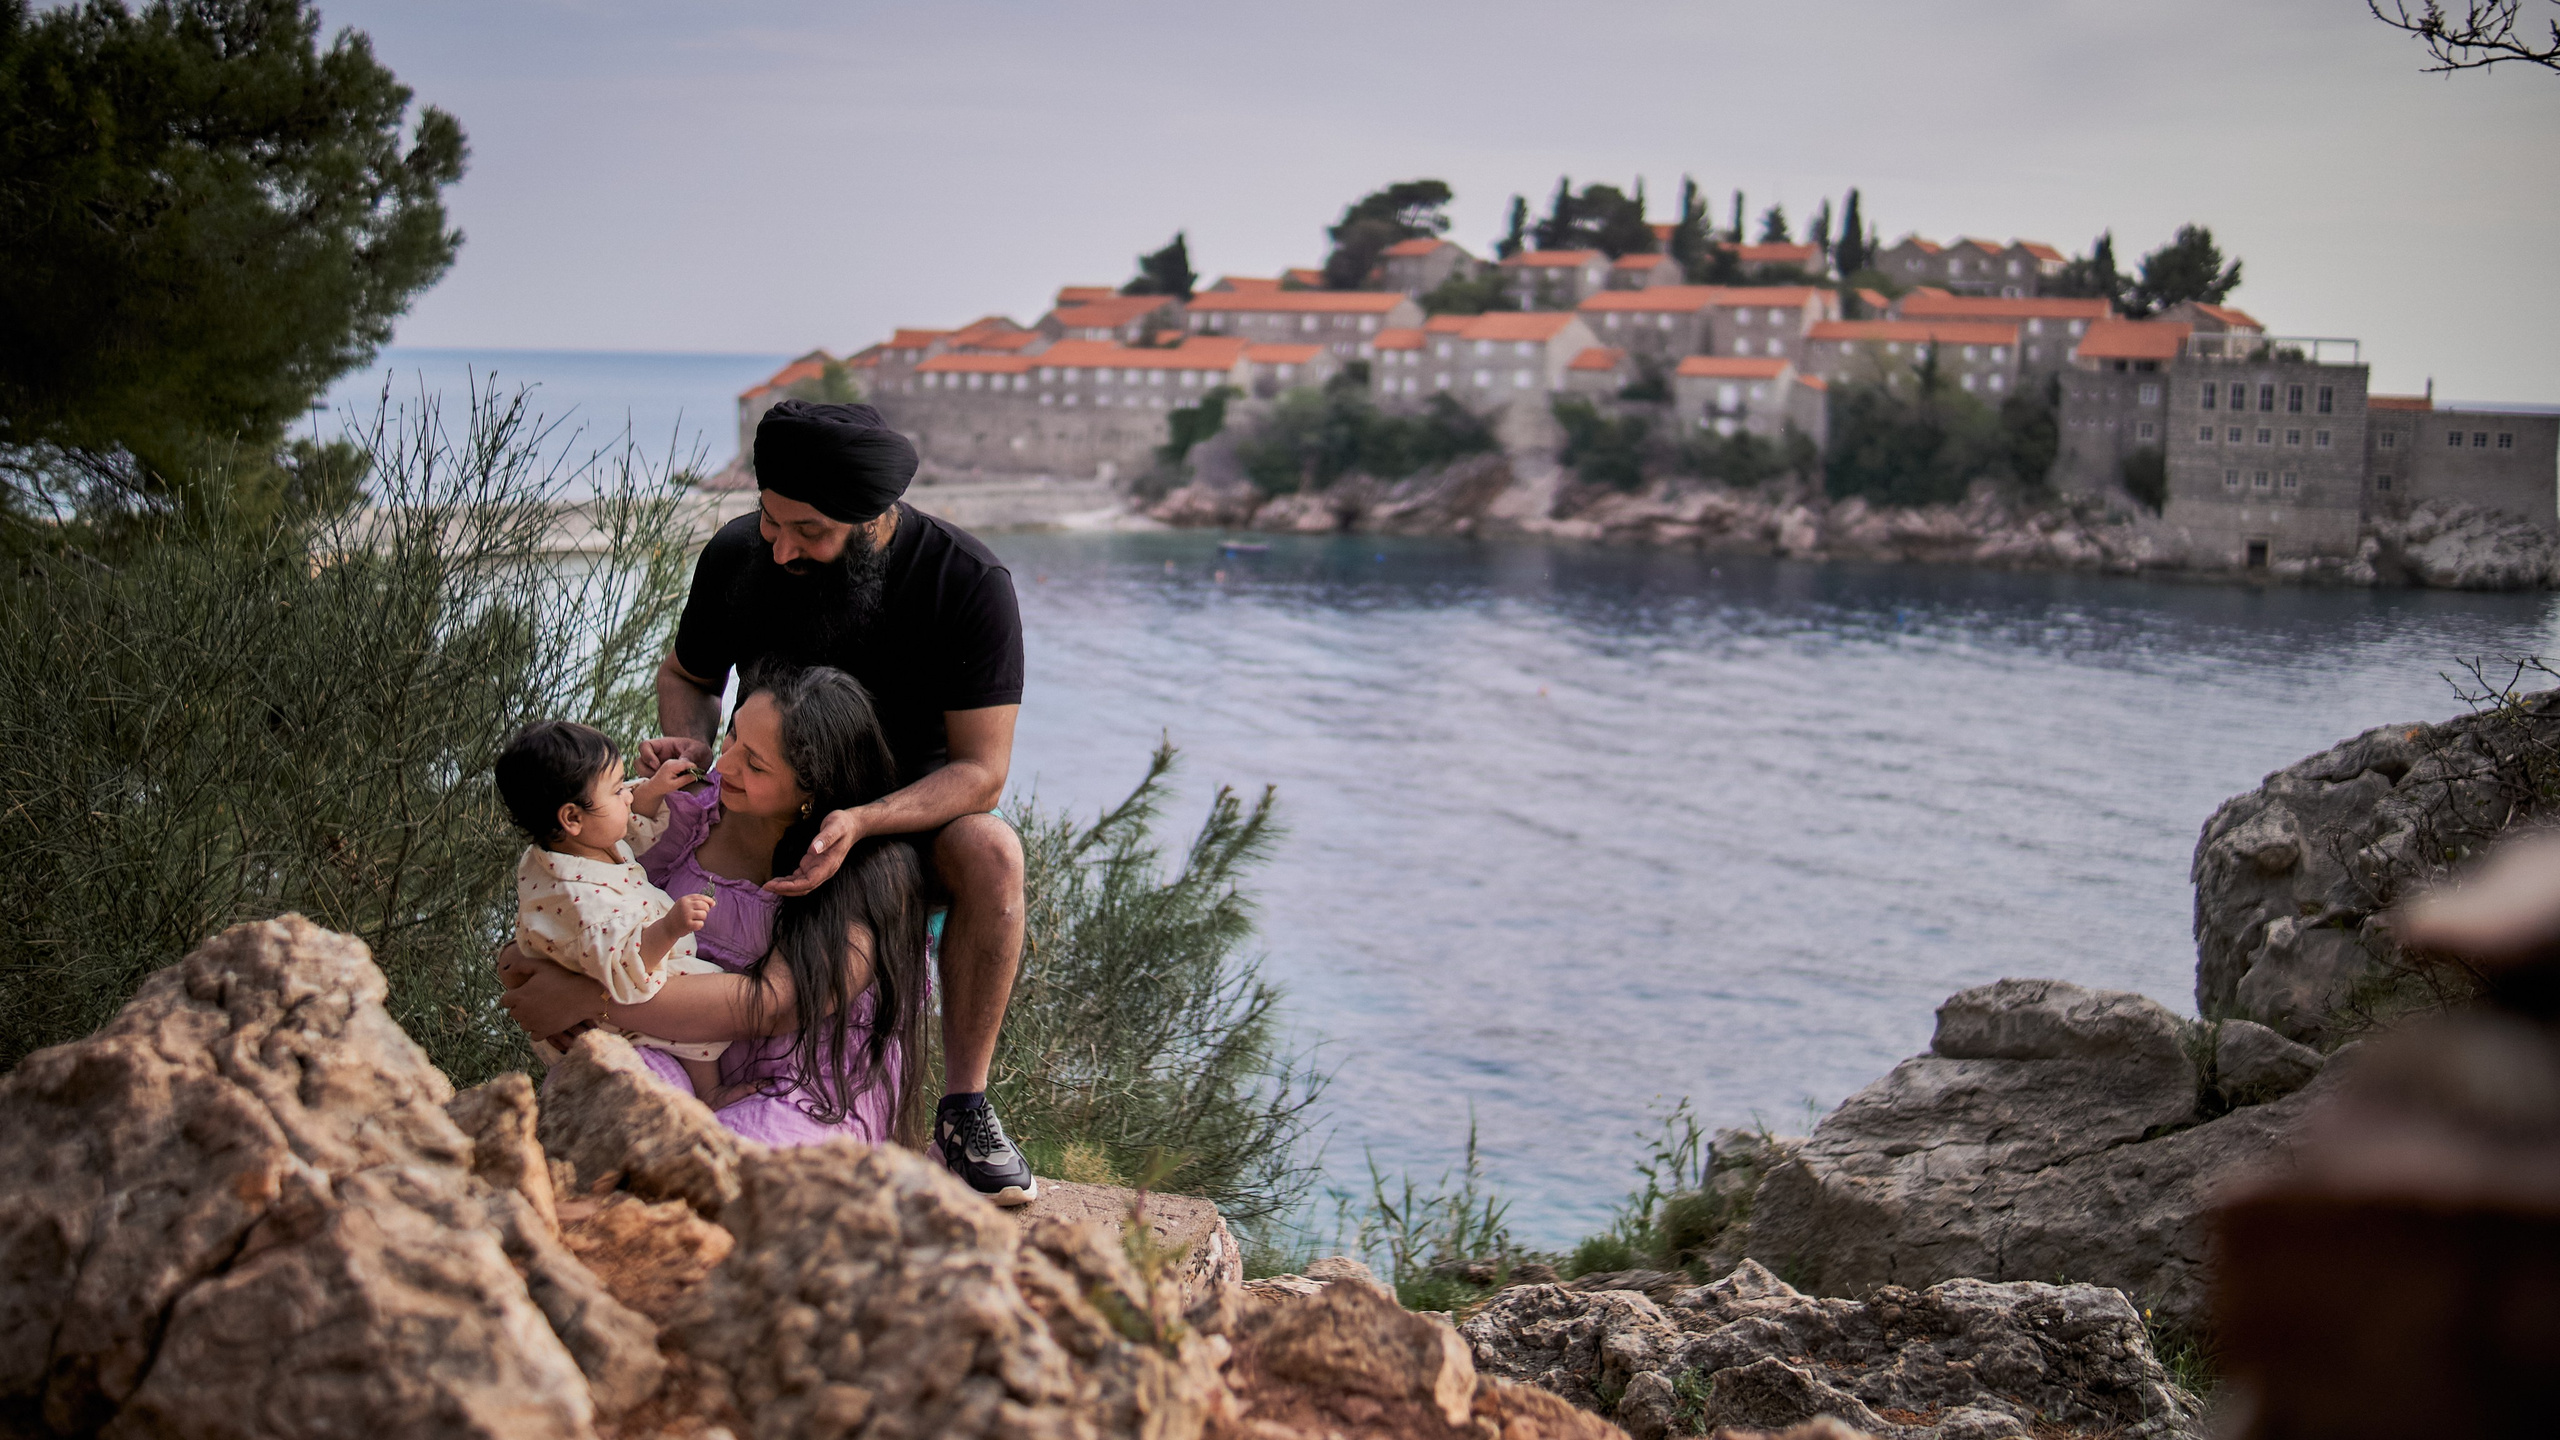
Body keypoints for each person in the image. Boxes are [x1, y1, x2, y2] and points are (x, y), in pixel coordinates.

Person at [631, 399, 1037, 1202]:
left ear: (874, 517)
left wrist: (862, 821)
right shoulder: (741, 554)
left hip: (896, 823)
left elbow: (980, 774)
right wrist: (692, 744)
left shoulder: (967, 582)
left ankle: (963, 1110)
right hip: (764, 801)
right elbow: (687, 675)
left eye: (808, 531)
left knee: (992, 850)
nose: (780, 548)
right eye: (769, 519)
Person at [501, 666, 934, 1150]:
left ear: (812, 790)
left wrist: (589, 997)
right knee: (612, 1116)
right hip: (670, 1048)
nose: (723, 764)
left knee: (729, 1164)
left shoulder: (872, 871)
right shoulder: (687, 815)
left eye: (755, 764)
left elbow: (773, 1006)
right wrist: (532, 962)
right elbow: (584, 897)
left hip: (802, 1083)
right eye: (732, 736)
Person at [494, 720, 725, 1099]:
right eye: (619, 790)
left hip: (601, 971)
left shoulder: (566, 846)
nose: (629, 796)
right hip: (609, 1011)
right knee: (703, 1000)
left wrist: (654, 789)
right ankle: (711, 1093)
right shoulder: (584, 904)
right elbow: (625, 966)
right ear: (572, 818)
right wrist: (670, 926)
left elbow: (624, 826)